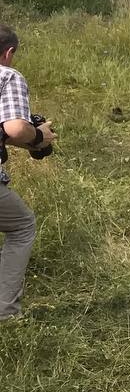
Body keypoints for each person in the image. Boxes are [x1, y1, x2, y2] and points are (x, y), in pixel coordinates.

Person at [0, 24, 54, 321]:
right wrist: (37, 137)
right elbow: (16, 127)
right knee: (22, 226)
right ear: (9, 53)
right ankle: (6, 314)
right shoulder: (7, 75)